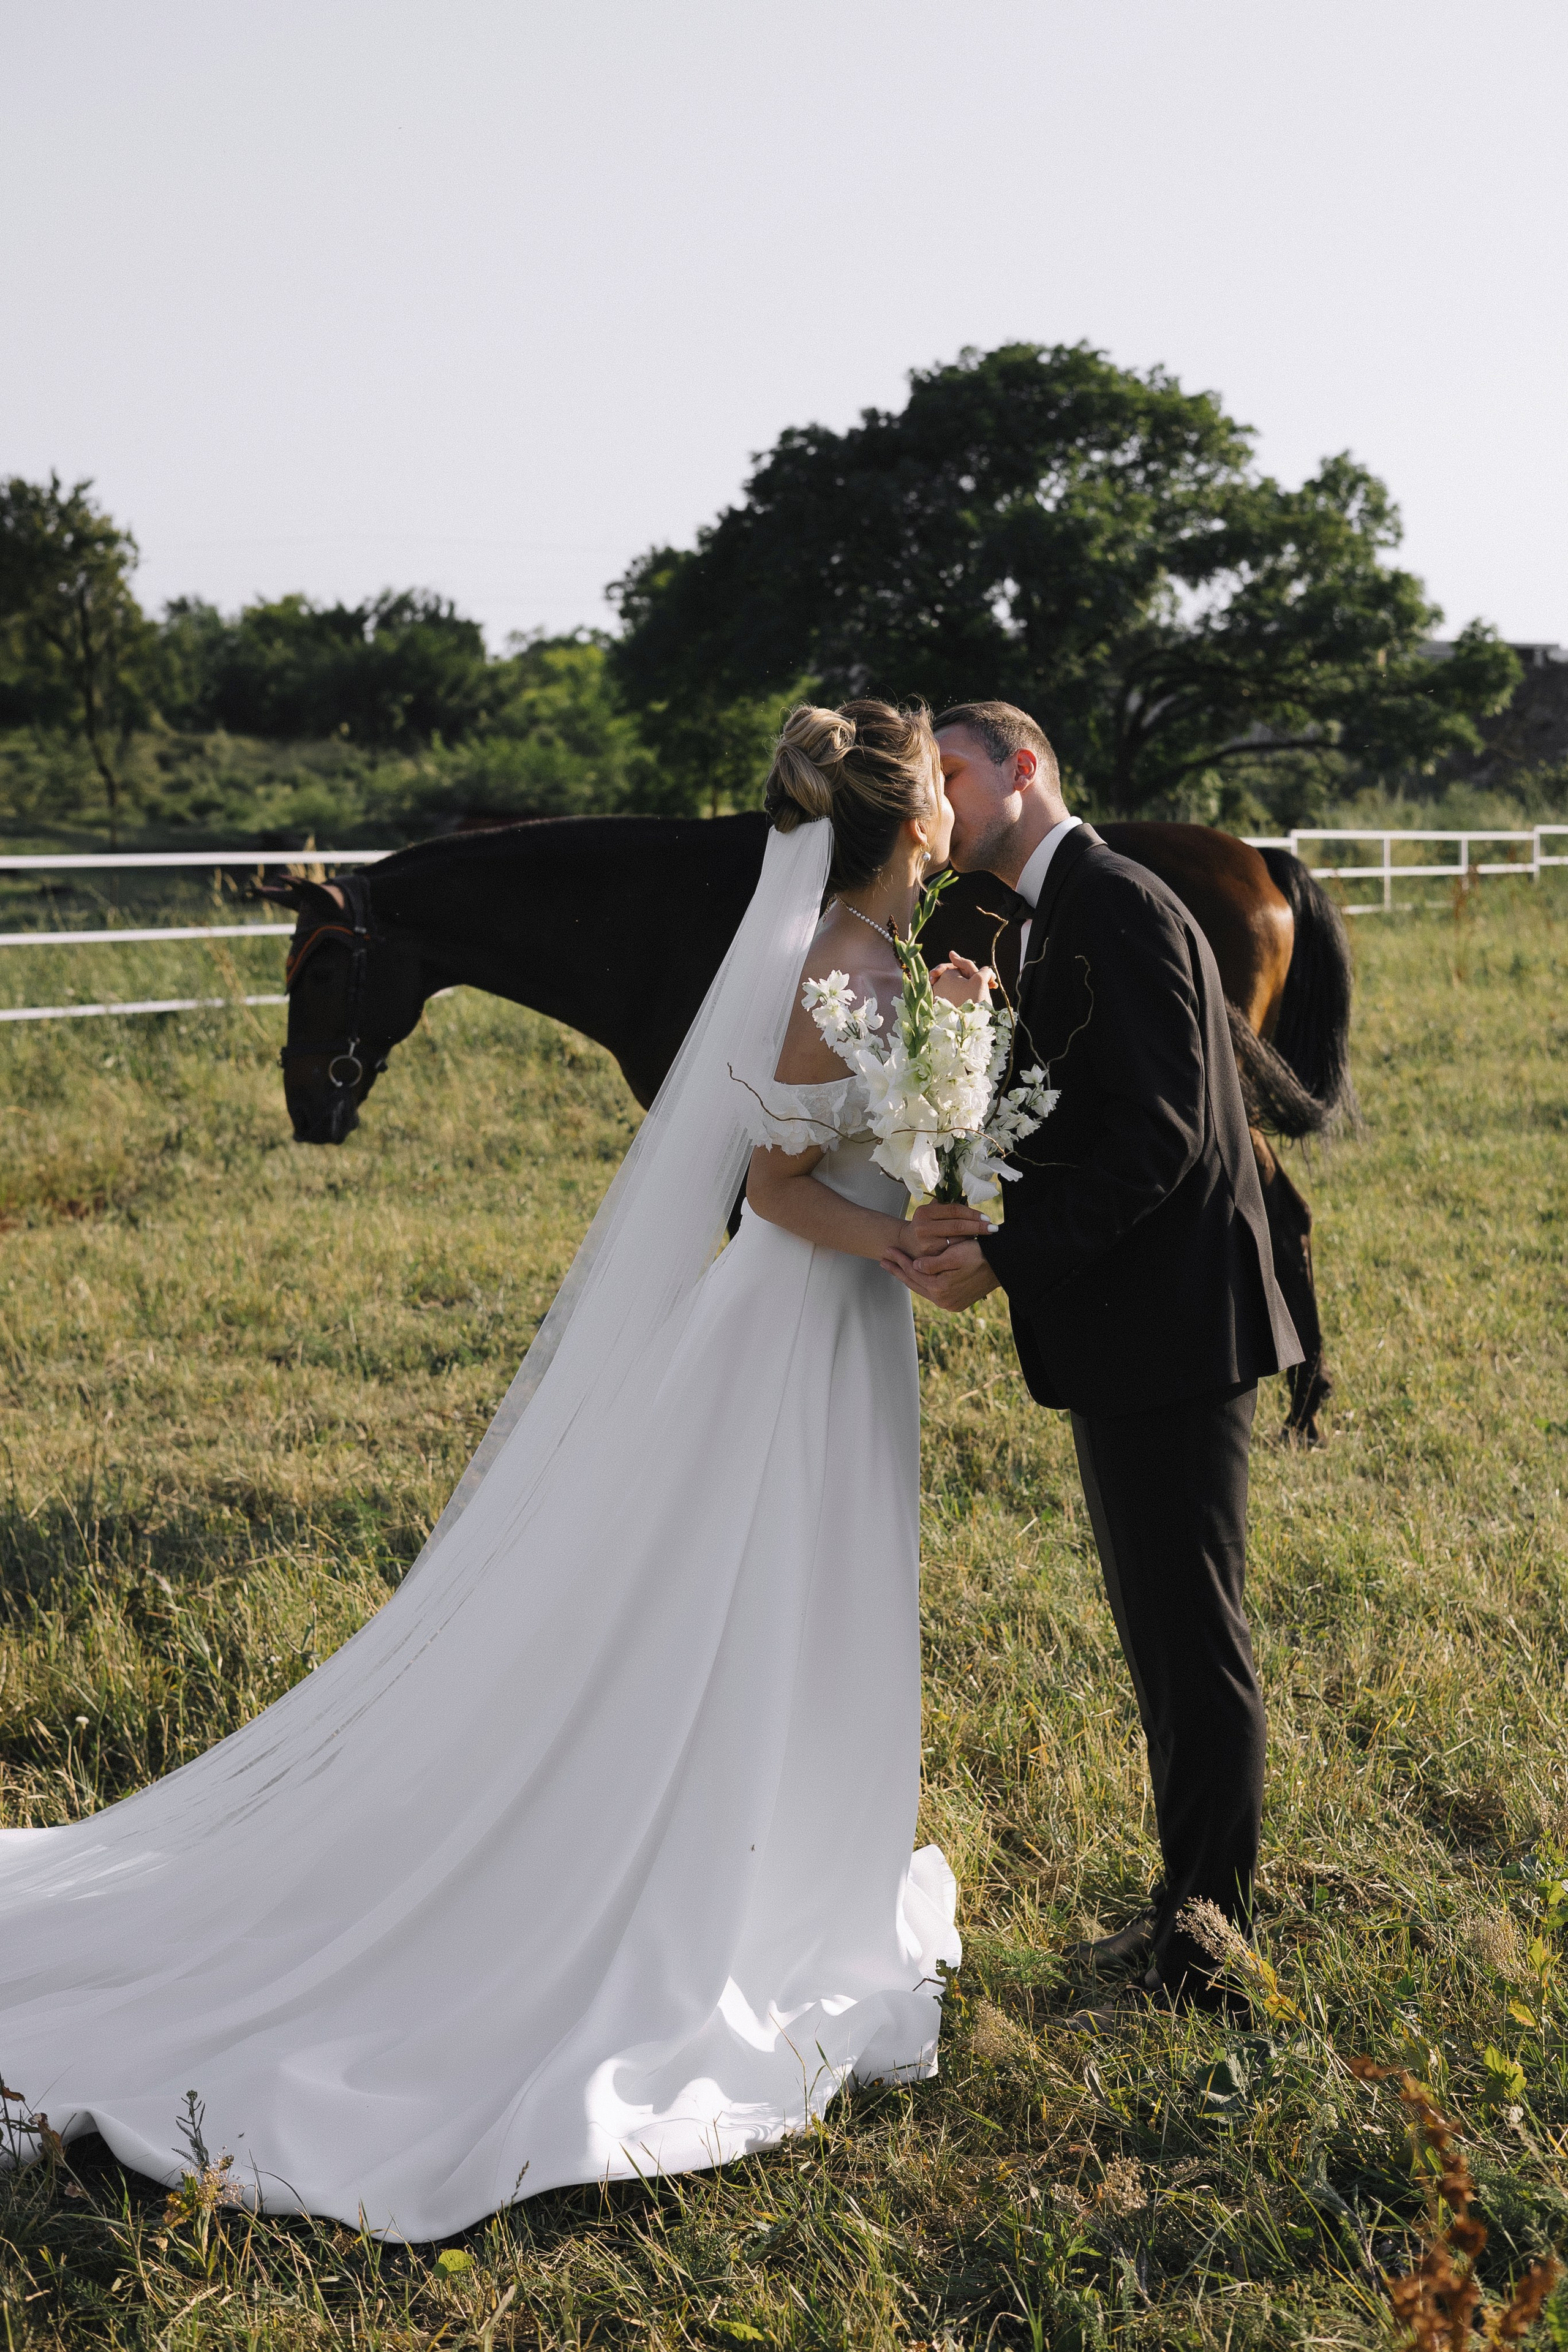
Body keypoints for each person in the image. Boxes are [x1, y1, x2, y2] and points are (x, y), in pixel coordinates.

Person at [0, 701, 977, 2237]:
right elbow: (775, 1187)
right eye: (939, 791)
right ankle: (696, 1892)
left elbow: (873, 1141)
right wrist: (905, 1236)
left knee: (814, 1592)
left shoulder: (895, 962)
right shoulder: (837, 970)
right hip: (799, 1323)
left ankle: (793, 1866)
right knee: (750, 1593)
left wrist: (949, 1095)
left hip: (849, 1332)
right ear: (913, 821)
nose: (952, 808)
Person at [886, 699, 1302, 2016]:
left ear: (1021, 768)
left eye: (947, 772)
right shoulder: (1046, 908)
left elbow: (1162, 1132)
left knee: (1190, 1638)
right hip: (1134, 1327)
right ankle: (1184, 1907)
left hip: (1172, 1325)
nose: (933, 800)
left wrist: (1005, 1254)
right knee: (1159, 1632)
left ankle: (1211, 1945)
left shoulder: (1111, 901)